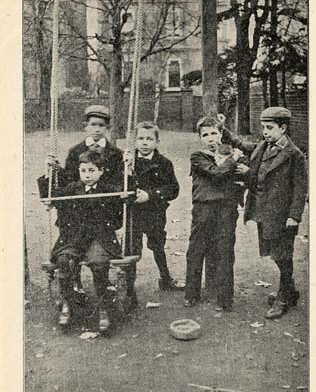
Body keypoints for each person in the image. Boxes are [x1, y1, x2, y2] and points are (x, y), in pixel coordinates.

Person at [38, 151, 124, 332]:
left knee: (98, 262)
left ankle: (103, 307)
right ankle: (67, 302)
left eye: (92, 170)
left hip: (100, 238)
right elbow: (49, 196)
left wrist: (128, 168)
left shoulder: (109, 190)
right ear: (78, 171)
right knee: (64, 260)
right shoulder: (72, 189)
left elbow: (117, 221)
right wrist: (49, 172)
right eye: (83, 170)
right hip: (74, 237)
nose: (87, 175)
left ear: (101, 171)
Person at [238, 107, 307, 319]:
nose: (265, 131)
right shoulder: (264, 146)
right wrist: (224, 132)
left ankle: (283, 298)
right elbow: (244, 147)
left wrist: (294, 216)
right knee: (276, 254)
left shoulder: (294, 155)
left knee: (282, 255)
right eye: (263, 127)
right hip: (264, 212)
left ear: (283, 128)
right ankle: (290, 291)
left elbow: (300, 188)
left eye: (269, 128)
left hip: (282, 215)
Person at [184, 115, 245, 311]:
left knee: (224, 251)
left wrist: (239, 169)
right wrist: (233, 160)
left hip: (226, 209)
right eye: (205, 135)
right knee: (196, 250)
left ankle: (224, 298)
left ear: (221, 134)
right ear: (200, 137)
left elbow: (244, 174)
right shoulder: (198, 156)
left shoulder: (231, 154)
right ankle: (191, 294)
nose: (210, 138)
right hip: (203, 208)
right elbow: (217, 174)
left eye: (214, 133)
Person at [124, 121, 182, 295]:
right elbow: (119, 185)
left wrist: (150, 195)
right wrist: (126, 171)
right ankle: (129, 284)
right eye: (140, 138)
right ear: (135, 141)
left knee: (158, 245)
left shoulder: (164, 163)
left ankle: (165, 278)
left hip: (154, 212)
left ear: (157, 142)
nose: (144, 143)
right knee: (131, 248)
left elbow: (173, 189)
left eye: (149, 139)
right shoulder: (128, 161)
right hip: (134, 213)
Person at [47, 105, 123, 187]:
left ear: (107, 127)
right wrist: (56, 169)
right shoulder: (75, 151)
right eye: (93, 125)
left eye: (101, 125)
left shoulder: (117, 153)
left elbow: (118, 180)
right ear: (85, 126)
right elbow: (69, 178)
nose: (97, 129)